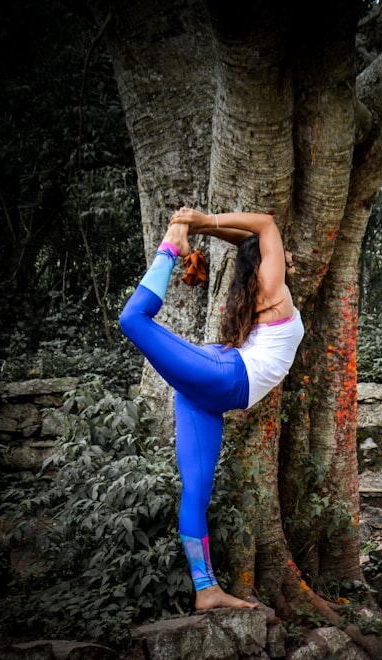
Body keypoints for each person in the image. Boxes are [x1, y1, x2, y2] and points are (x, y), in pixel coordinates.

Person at [119, 207, 303, 611]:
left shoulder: (266, 285)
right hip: (223, 379)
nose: (287, 255)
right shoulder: (274, 288)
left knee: (197, 492)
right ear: (268, 261)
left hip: (211, 389)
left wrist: (207, 227)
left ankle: (206, 589)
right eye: (281, 252)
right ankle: (170, 248)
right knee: (132, 318)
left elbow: (254, 240)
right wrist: (198, 223)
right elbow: (266, 226)